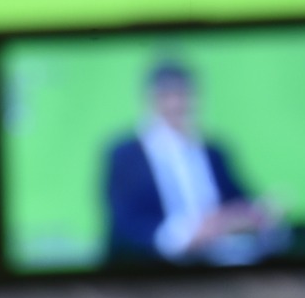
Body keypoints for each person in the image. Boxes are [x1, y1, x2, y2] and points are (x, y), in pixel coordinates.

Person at [104, 60, 281, 265]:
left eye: (183, 95)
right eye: (167, 96)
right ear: (151, 100)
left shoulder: (214, 151)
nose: (176, 104)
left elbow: (239, 201)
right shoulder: (125, 155)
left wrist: (256, 214)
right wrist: (187, 235)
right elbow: (126, 225)